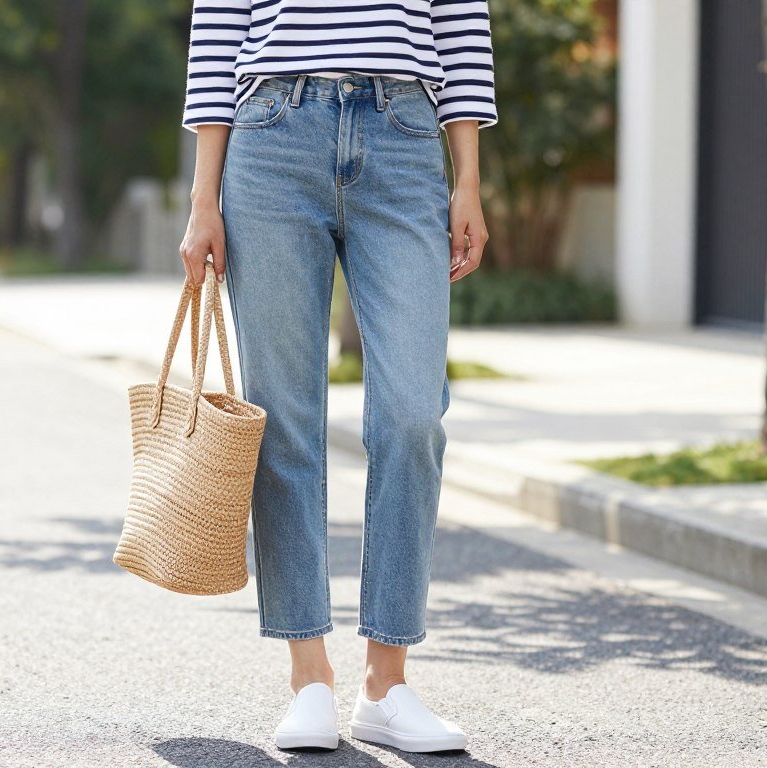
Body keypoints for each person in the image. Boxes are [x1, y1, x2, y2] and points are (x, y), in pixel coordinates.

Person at [178, 0, 497, 754]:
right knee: (282, 415)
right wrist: (203, 199)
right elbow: (219, 27)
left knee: (414, 413)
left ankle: (387, 683)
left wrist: (469, 179)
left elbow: (461, 26)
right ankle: (308, 677)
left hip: (406, 131)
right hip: (271, 133)